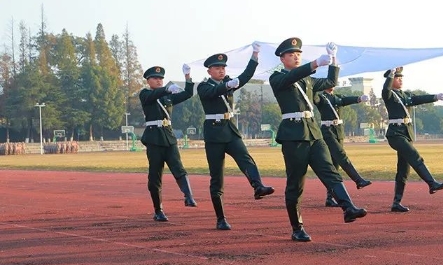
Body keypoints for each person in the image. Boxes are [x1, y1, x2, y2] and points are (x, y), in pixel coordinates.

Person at [269, 37, 367, 242]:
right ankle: (297, 228)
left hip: (313, 133)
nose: (296, 57)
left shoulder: (308, 81)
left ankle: (348, 208)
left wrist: (333, 60)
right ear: (282, 58)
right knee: (296, 184)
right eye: (291, 55)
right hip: (293, 137)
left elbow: (331, 82)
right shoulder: (276, 78)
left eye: (298, 54)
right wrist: (313, 64)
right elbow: (292, 77)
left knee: (330, 172)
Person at [197, 43, 274, 230]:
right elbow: (214, 92)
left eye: (223, 67)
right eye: (217, 68)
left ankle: (258, 186)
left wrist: (254, 56)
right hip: (214, 134)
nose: (221, 70)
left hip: (230, 130)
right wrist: (227, 85)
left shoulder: (229, 81)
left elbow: (245, 77)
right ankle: (220, 218)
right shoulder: (203, 87)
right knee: (217, 177)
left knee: (245, 158)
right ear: (209, 71)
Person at [382, 67, 443, 212]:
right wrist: (390, 74)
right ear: (391, 80)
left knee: (403, 170)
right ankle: (431, 183)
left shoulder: (405, 95)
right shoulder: (389, 95)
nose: (400, 80)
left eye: (401, 77)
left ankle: (396, 202)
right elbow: (385, 90)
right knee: (414, 155)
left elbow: (418, 99)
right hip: (395, 134)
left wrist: (434, 97)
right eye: (397, 78)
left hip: (406, 133)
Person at [139, 64, 197, 222]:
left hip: (168, 137)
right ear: (148, 80)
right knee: (155, 176)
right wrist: (166, 89)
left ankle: (188, 196)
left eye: (160, 79)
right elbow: (151, 97)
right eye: (155, 78)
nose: (158, 81)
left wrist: (188, 77)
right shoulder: (145, 94)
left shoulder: (167, 97)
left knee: (178, 168)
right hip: (154, 139)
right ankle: (158, 210)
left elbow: (187, 94)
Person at [314, 87, 372, 208]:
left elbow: (345, 100)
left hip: (338, 131)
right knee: (341, 155)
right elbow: (314, 98)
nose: (333, 84)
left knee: (335, 165)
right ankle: (358, 180)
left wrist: (359, 98)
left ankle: (330, 198)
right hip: (327, 131)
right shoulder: (321, 97)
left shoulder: (337, 97)